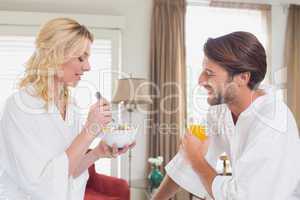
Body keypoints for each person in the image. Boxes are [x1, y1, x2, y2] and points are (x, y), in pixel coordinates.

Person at [152, 31, 300, 200]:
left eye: (209, 73)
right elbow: (184, 161)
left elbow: (242, 197)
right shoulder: (220, 111)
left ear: (243, 77)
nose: (200, 80)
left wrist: (196, 160)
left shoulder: (273, 122)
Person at [0, 18, 134, 200]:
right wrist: (88, 131)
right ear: (55, 55)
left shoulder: (70, 104)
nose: (88, 66)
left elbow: (67, 172)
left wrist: (96, 153)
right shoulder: (19, 106)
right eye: (81, 58)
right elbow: (41, 185)